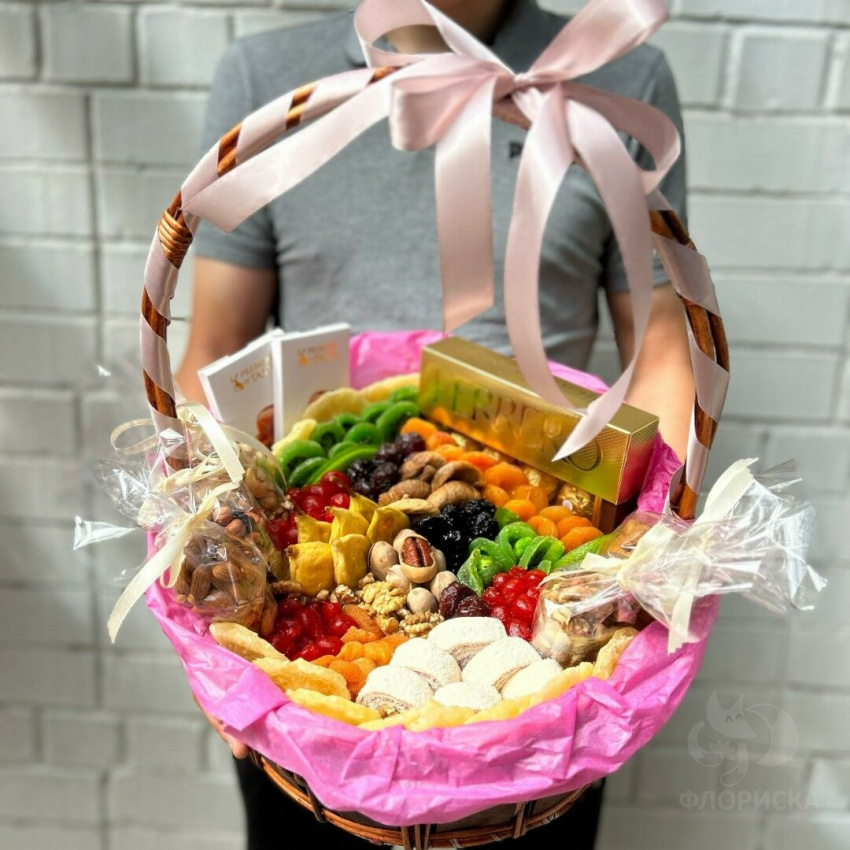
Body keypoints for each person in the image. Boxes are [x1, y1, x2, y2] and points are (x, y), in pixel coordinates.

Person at [176, 1, 694, 847]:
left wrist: (653, 545)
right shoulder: (266, 82)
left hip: (547, 715)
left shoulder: (621, 75)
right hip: (308, 727)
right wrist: (207, 610)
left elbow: (666, 347)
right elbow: (211, 355)